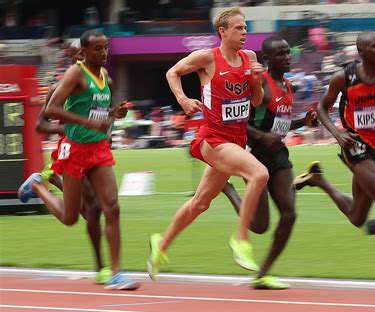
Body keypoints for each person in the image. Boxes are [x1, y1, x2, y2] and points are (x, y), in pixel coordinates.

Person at [292, 31, 375, 300]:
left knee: (357, 216)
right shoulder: (344, 77)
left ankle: (317, 179)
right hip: (355, 146)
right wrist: (338, 134)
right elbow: (321, 108)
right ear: (362, 52)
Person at [147, 7, 269, 280]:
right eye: (238, 27)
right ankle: (241, 240)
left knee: (200, 203)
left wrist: (258, 80)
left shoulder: (250, 58)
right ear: (222, 32)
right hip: (213, 138)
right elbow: (172, 73)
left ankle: (161, 245)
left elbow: (257, 101)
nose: (244, 32)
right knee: (259, 174)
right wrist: (182, 99)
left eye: (246, 27)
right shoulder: (207, 58)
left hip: (236, 141)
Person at [17, 30, 139, 290]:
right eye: (98, 49)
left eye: (106, 48)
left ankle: (117, 273)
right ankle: (39, 184)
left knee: (112, 208)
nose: (104, 53)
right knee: (71, 217)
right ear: (84, 52)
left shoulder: (106, 77)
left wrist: (114, 113)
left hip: (98, 150)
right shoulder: (75, 73)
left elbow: (102, 114)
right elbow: (50, 111)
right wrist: (85, 122)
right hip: (75, 151)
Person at [221, 36, 318, 289]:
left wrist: (303, 123)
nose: (288, 57)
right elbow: (236, 121)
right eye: (281, 54)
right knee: (260, 226)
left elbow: (280, 124)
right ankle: (228, 188)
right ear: (267, 58)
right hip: (254, 155)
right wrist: (262, 136)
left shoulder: (286, 85)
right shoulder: (259, 83)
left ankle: (263, 273)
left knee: (290, 213)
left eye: (288, 52)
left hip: (278, 156)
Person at [21, 39, 112, 285]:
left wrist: (105, 131)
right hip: (70, 148)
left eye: (81, 57)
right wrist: (72, 125)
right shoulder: (61, 87)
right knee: (91, 208)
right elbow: (41, 124)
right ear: (71, 58)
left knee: (91, 210)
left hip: (93, 147)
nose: (79, 61)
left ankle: (50, 179)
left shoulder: (99, 82)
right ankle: (42, 183)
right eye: (75, 57)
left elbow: (102, 113)